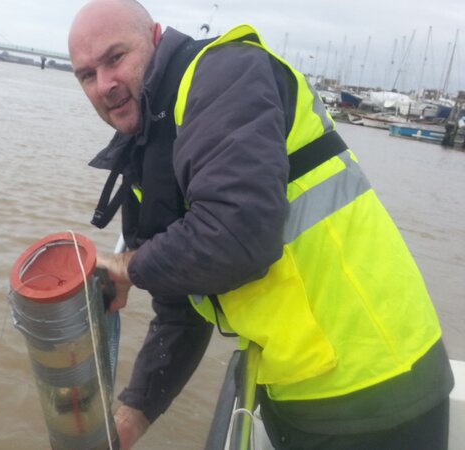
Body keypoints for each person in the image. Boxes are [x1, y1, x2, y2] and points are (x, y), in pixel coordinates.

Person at [67, 1, 454, 449]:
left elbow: (238, 235)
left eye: (115, 58)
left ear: (156, 38)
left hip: (380, 388)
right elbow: (183, 309)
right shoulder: (150, 145)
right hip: (297, 393)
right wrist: (129, 420)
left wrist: (125, 268)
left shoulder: (224, 75)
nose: (105, 85)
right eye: (86, 75)